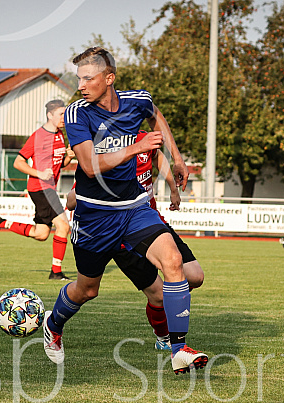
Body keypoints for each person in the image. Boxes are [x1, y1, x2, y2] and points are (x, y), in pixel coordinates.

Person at [43, 46, 208, 375]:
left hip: (134, 209)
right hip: (94, 217)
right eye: (79, 78)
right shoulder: (77, 114)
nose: (81, 84)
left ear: (109, 78)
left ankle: (178, 350)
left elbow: (156, 115)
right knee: (87, 289)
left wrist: (176, 159)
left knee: (174, 262)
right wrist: (137, 146)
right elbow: (89, 167)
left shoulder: (138, 100)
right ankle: (53, 324)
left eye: (88, 78)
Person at [66, 130, 205, 352]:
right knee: (157, 295)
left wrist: (173, 189)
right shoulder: (103, 151)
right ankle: (164, 336)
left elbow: (158, 156)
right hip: (124, 232)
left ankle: (168, 301)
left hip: (153, 223)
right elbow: (73, 198)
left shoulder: (144, 139)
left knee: (195, 276)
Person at [0, 99, 75, 281]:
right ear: (50, 115)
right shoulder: (39, 136)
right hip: (41, 188)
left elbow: (59, 165)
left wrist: (69, 157)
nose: (64, 118)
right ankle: (56, 272)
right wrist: (39, 173)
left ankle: (1, 223)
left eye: (65, 114)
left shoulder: (59, 135)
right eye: (61, 114)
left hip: (48, 189)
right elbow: (18, 162)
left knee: (41, 234)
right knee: (64, 226)